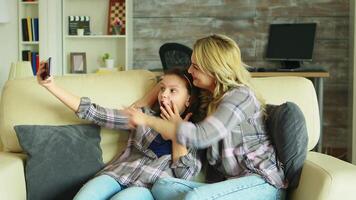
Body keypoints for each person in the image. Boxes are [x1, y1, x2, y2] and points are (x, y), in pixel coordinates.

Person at [125, 34, 287, 200]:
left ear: (214, 68)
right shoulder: (208, 99)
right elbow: (171, 79)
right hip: (229, 184)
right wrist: (146, 103)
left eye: (195, 66)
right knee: (162, 187)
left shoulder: (241, 96)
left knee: (195, 198)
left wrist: (148, 120)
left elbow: (200, 136)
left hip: (262, 182)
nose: (190, 70)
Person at [36, 66, 202, 200]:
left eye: (173, 91)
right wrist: (51, 85)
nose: (164, 95)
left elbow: (184, 176)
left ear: (189, 99)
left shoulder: (198, 133)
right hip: (116, 175)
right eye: (162, 89)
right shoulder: (142, 116)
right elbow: (96, 113)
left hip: (147, 188)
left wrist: (177, 133)